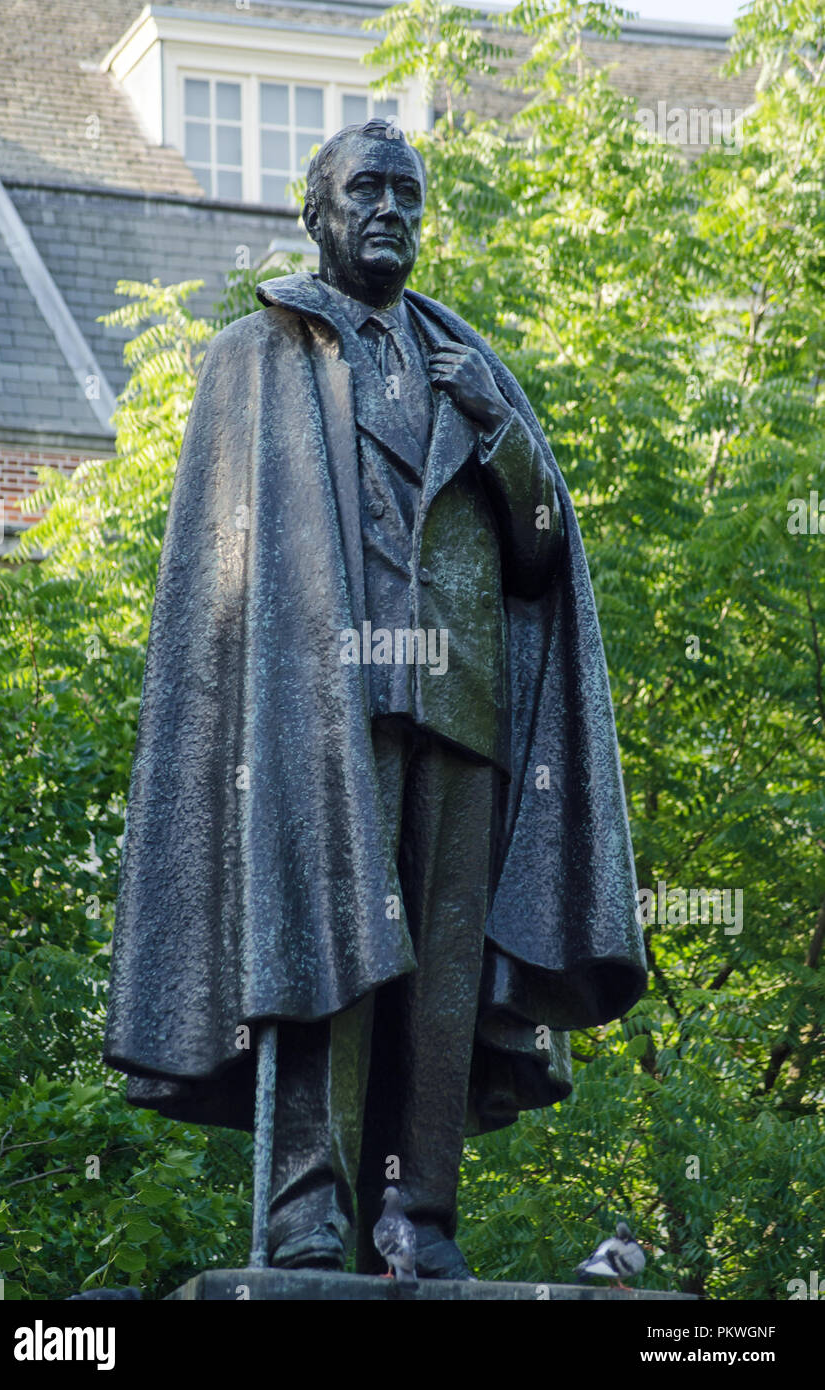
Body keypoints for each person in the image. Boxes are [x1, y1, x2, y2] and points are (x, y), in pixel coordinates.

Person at [103, 119, 646, 1280]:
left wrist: (504, 438)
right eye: (367, 189)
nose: (392, 208)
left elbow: (544, 557)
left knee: (442, 986)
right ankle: (308, 1212)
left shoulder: (473, 366)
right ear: (318, 212)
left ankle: (419, 1218)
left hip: (461, 714)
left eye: (409, 190)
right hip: (318, 719)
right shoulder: (257, 357)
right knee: (320, 961)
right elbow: (221, 590)